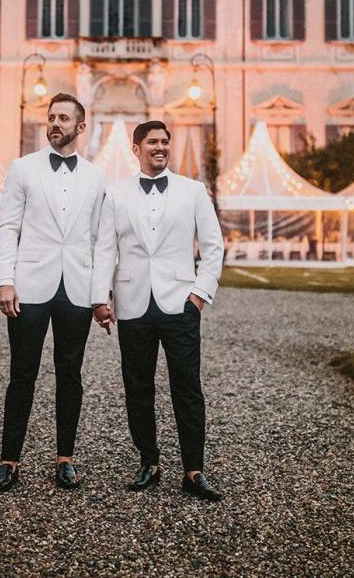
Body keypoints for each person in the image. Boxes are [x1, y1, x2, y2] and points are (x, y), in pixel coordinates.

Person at [91, 120, 226, 501]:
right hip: (133, 304)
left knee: (188, 388)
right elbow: (105, 249)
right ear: (136, 149)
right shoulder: (115, 195)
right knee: (138, 388)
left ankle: (194, 470)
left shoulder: (193, 191)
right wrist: (100, 298)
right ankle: (148, 461)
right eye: (152, 142)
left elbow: (214, 247)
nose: (160, 147)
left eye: (165, 142)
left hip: (181, 304)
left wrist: (199, 295)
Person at [0, 93, 107, 492]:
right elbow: (9, 227)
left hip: (76, 287)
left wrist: (100, 293)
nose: (55, 123)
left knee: (69, 375)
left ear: (80, 127)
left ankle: (65, 459)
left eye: (64, 118)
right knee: (21, 374)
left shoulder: (96, 176)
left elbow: (99, 240)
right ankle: (9, 461)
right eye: (51, 117)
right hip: (30, 285)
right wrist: (5, 279)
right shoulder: (22, 169)